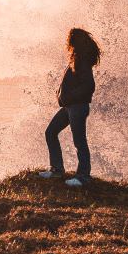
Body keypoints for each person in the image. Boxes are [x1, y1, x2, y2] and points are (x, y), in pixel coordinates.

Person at [43, 27, 100, 187]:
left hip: (77, 107)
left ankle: (83, 176)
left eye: (69, 39)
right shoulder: (76, 59)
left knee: (79, 141)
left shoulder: (82, 60)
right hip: (70, 107)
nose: (67, 42)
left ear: (74, 40)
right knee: (50, 132)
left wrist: (68, 97)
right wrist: (61, 94)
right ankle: (57, 170)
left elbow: (89, 86)